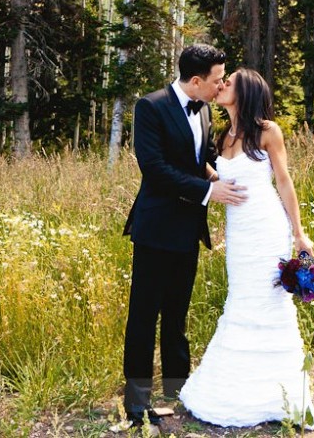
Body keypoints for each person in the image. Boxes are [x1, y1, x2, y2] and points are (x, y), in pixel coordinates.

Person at [179, 68, 314, 430]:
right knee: (241, 300)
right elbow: (223, 178)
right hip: (240, 233)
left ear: (246, 92)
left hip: (267, 228)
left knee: (269, 303)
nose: (222, 85)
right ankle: (239, 391)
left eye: (229, 82)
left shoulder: (268, 131)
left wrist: (299, 234)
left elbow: (284, 182)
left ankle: (282, 397)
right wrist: (204, 175)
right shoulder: (223, 135)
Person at [122, 44, 248, 429]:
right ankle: (137, 404)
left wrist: (222, 179)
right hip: (156, 228)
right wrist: (209, 191)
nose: (221, 85)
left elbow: (202, 159)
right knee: (144, 317)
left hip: (188, 229)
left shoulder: (205, 108)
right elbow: (155, 169)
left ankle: (178, 391)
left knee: (177, 315)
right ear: (196, 80)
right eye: (217, 79)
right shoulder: (151, 106)